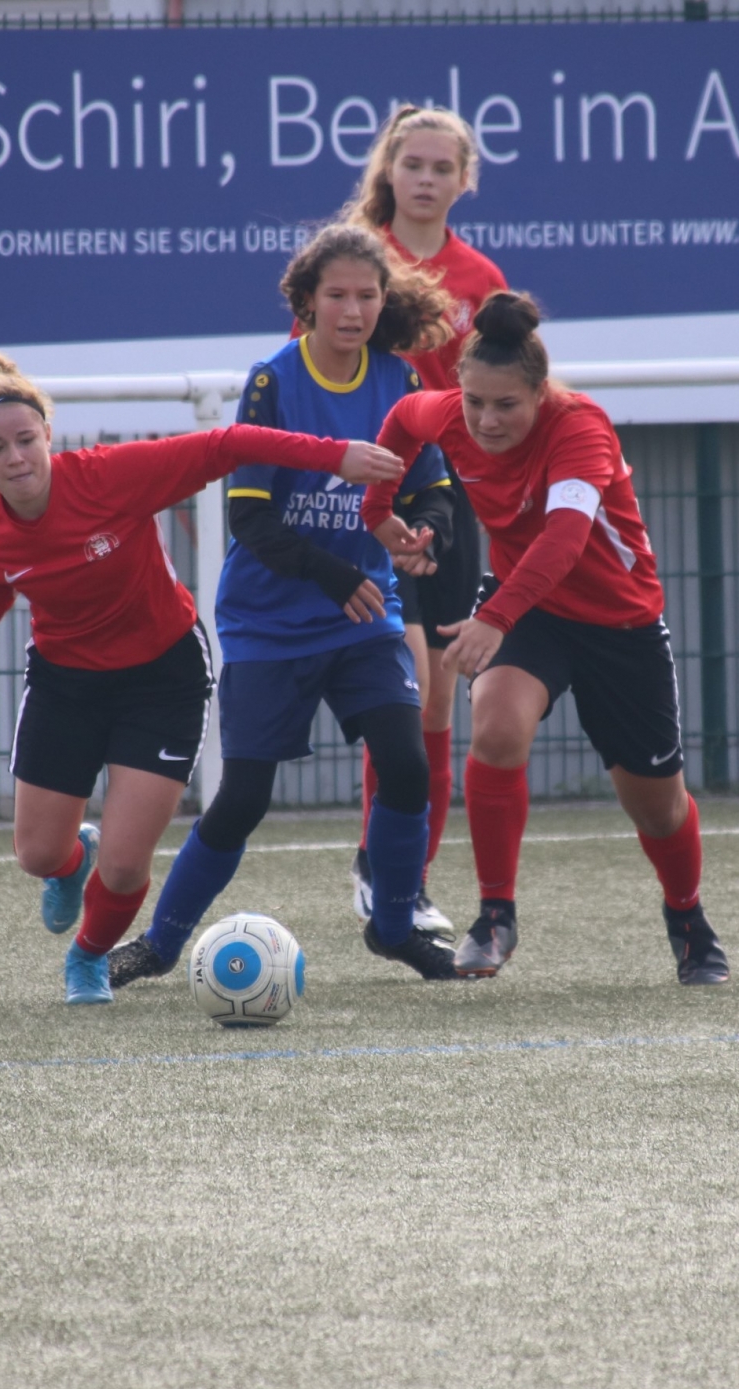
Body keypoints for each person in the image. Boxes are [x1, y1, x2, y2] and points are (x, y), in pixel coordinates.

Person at [0, 350, 404, 1005]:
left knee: (125, 866)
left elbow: (227, 444)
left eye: (26, 439)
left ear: (48, 435)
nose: (16, 458)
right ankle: (70, 861)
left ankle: (88, 958)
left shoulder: (110, 476)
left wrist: (336, 456)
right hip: (66, 686)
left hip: (162, 678)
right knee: (38, 856)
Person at [107, 223, 464, 989]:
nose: (353, 310)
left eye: (367, 295)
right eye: (336, 295)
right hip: (269, 623)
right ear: (305, 302)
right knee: (242, 799)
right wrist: (334, 574)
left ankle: (394, 928)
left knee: (407, 766)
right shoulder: (273, 382)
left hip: (363, 619)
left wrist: (426, 533)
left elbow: (434, 488)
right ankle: (160, 945)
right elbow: (249, 518)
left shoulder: (400, 382)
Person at [365, 291, 731, 986]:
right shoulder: (451, 414)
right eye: (475, 401)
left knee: (657, 807)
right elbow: (403, 419)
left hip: (619, 623)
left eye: (506, 404)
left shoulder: (580, 427)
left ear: (540, 393)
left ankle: (688, 918)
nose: (486, 420)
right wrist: (377, 509)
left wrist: (493, 618)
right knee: (496, 727)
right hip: (528, 610)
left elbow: (564, 540)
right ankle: (494, 915)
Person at [340, 106, 508, 932]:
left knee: (439, 700)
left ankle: (408, 876)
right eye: (414, 164)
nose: (428, 179)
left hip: (449, 499)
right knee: (400, 686)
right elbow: (314, 369)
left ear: (464, 180)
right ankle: (380, 867)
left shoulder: (480, 276)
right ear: (389, 169)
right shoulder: (354, 260)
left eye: (444, 167)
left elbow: (503, 395)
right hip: (370, 492)